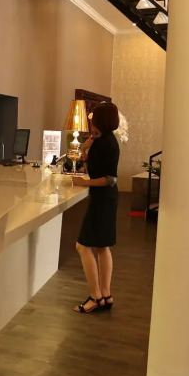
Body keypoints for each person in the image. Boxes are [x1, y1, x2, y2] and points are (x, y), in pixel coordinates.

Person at [70, 102, 120, 314]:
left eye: (94, 118)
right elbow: (93, 171)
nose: (91, 121)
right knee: (102, 246)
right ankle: (105, 296)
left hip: (103, 199)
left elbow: (110, 179)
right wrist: (84, 150)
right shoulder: (103, 141)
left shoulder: (107, 143)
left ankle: (95, 296)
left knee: (83, 247)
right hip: (106, 199)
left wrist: (84, 184)